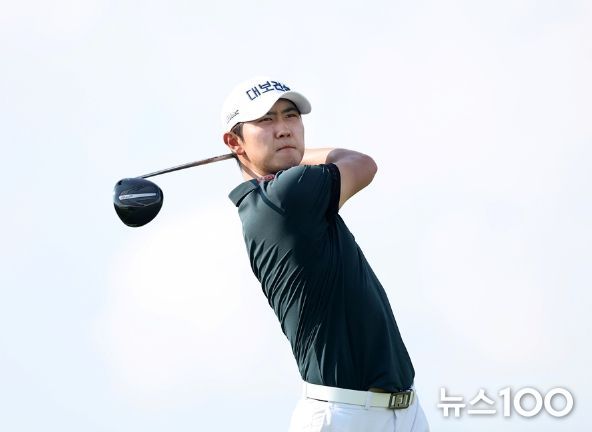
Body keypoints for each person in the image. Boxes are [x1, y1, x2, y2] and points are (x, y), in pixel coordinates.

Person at [221, 76, 430, 431]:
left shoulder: (272, 199)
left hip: (402, 411)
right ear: (234, 142)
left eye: (291, 116)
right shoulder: (289, 195)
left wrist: (285, 152)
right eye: (266, 120)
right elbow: (361, 163)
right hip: (342, 416)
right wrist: (300, 154)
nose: (284, 129)